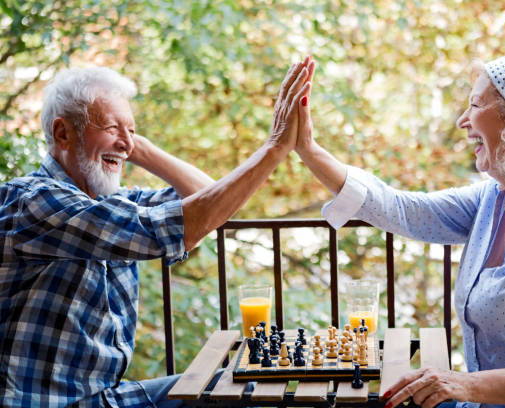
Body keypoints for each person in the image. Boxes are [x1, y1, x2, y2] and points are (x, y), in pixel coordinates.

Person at [296, 49, 505, 408]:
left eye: (476, 105)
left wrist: (467, 385)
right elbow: (400, 209)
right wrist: (306, 148)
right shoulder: (492, 199)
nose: (463, 120)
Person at [0, 58, 312, 407]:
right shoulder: (35, 202)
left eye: (131, 129)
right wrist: (274, 148)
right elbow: (177, 226)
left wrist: (134, 145)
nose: (125, 142)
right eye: (110, 126)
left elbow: (211, 200)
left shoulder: (111, 201)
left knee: (240, 385)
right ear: (63, 133)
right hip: (46, 403)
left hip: (105, 398)